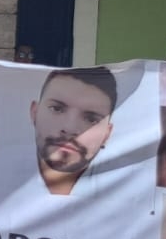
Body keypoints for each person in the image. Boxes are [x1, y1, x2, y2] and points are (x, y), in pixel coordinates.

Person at [30, 67, 118, 196]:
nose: (70, 128)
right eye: (56, 109)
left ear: (107, 134)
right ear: (34, 113)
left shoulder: (126, 193)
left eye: (91, 119)